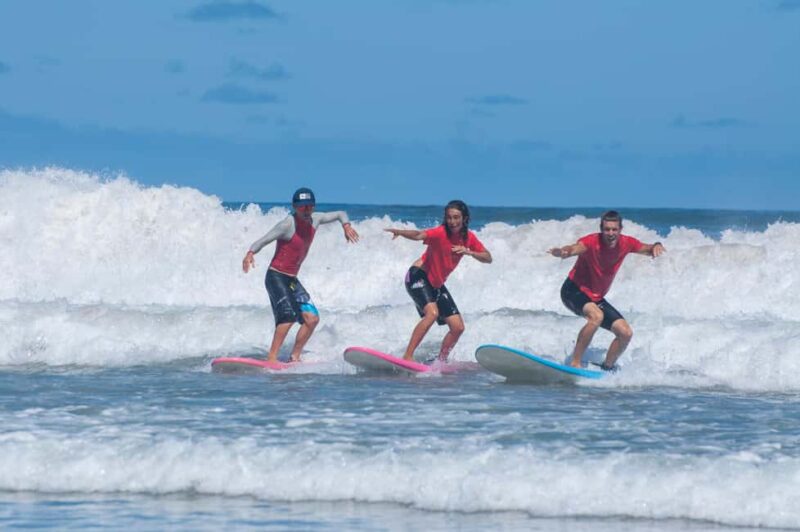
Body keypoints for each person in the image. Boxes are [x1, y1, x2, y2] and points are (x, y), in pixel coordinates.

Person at [242, 187, 359, 362]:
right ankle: (271, 358)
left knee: (312, 319)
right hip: (276, 276)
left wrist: (346, 225)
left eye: (310, 206)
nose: (306, 210)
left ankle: (294, 356)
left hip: (291, 279)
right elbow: (263, 240)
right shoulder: (287, 225)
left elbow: (341, 213)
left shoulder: (316, 219)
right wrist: (250, 253)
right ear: (295, 207)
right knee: (287, 316)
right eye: (302, 207)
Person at [548, 210, 665, 370]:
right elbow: (575, 248)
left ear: (620, 230)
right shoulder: (591, 242)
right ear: (601, 229)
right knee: (596, 316)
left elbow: (648, 248)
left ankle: (607, 367)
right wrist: (563, 252)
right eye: (607, 229)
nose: (610, 233)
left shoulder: (627, 243)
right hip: (573, 290)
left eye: (614, 229)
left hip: (596, 298)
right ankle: (575, 363)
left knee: (625, 333)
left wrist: (657, 245)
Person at [385, 200, 492, 362]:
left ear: (464, 218)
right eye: (449, 217)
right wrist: (400, 232)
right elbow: (419, 235)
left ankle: (440, 362)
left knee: (457, 328)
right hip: (418, 276)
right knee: (432, 314)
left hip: (435, 284)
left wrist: (469, 252)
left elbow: (488, 258)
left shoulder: (469, 238)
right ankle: (408, 356)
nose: (452, 222)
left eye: (456, 217)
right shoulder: (440, 233)